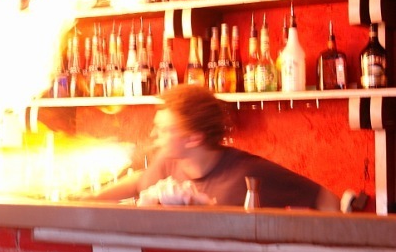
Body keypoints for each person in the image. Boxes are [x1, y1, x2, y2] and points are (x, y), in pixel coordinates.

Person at [89, 84, 340, 211]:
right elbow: (139, 182)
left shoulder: (247, 173)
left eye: (164, 130)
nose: (154, 134)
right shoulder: (169, 161)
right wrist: (87, 200)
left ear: (193, 139)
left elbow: (326, 199)